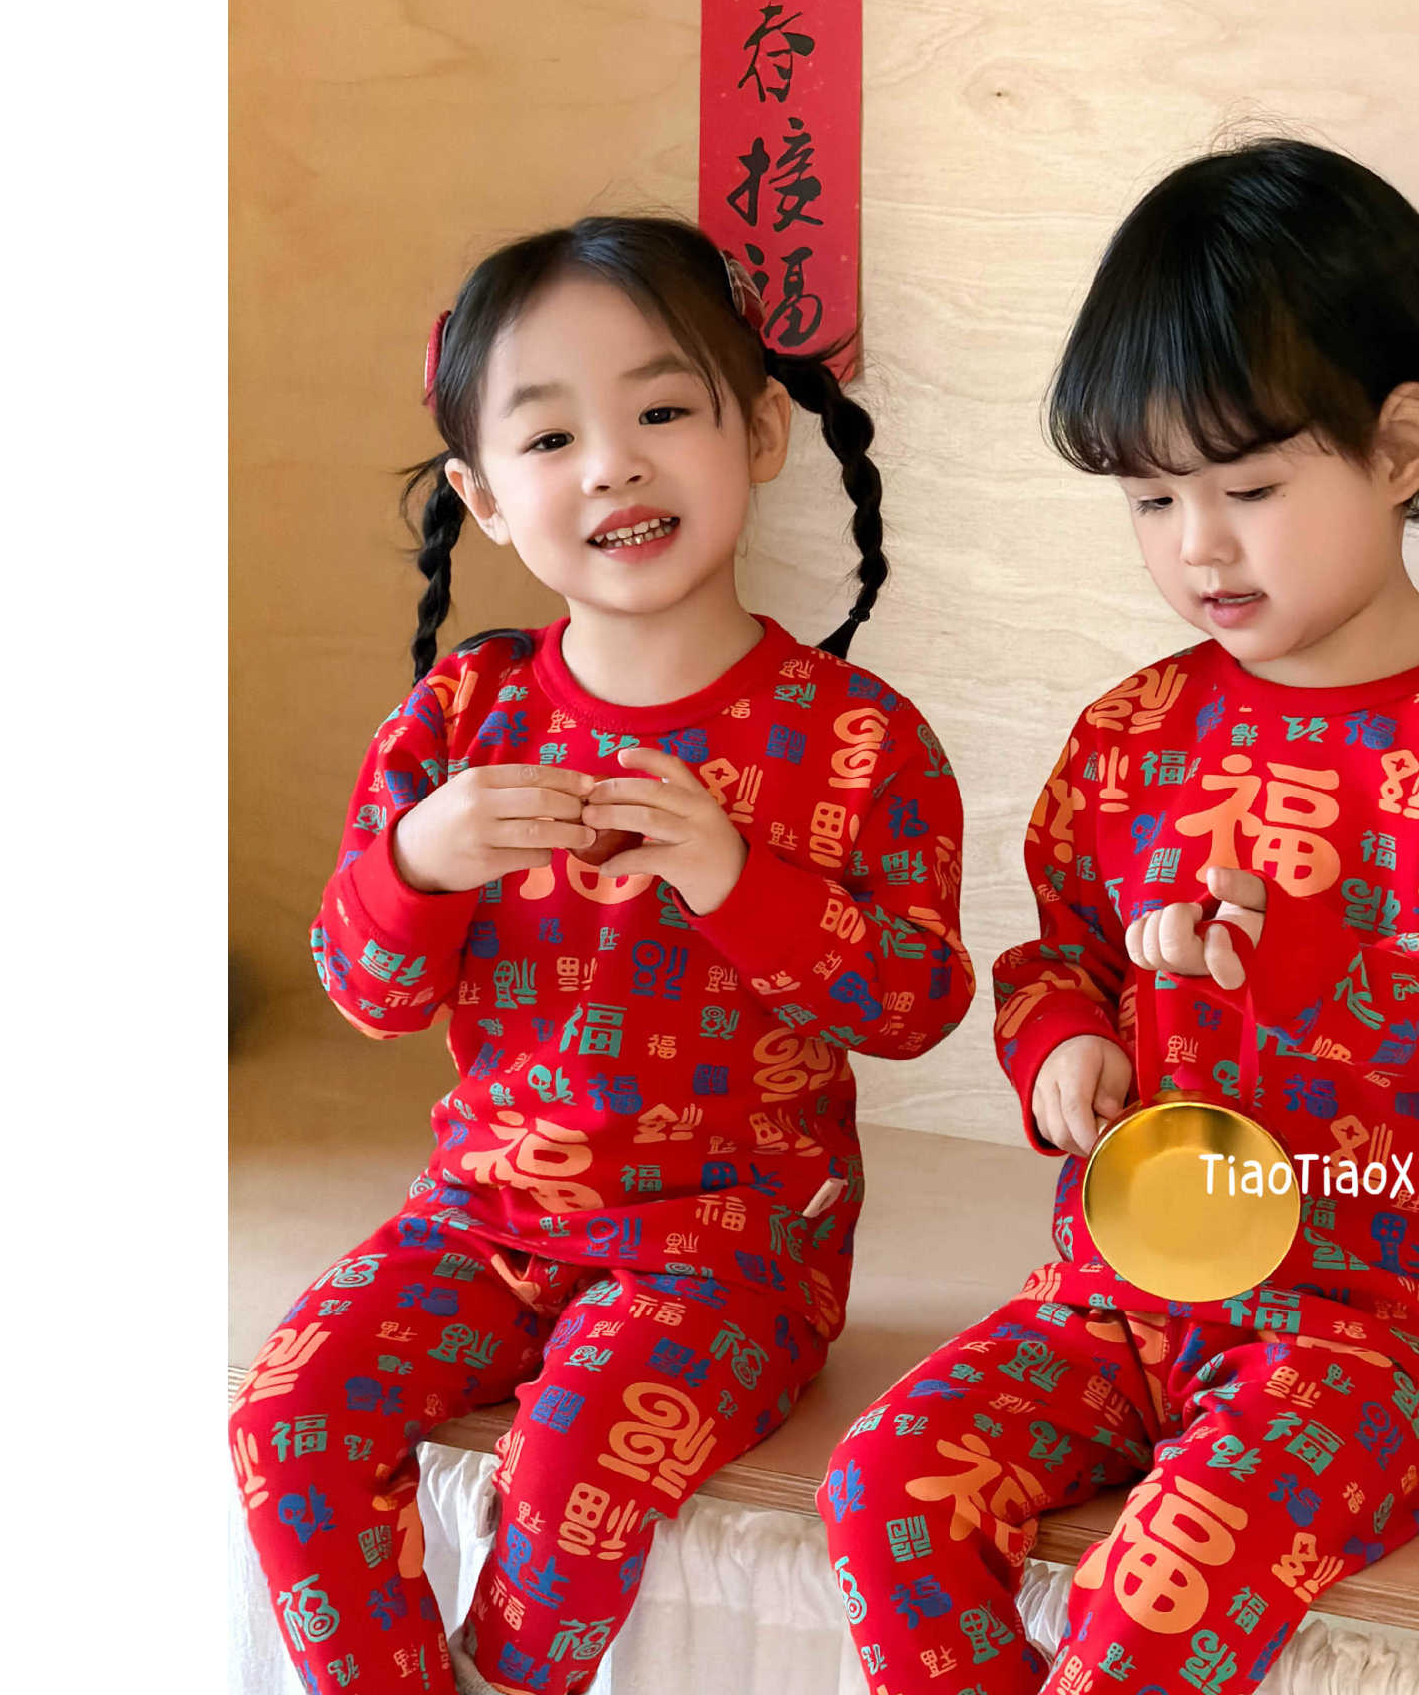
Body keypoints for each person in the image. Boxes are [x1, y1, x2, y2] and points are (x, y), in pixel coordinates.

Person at [820, 140, 1419, 1694]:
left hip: (1366, 1337)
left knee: (1153, 1589)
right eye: (1152, 497)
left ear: (1401, 446)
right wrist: (1062, 1048)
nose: (1198, 546)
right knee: (882, 1487)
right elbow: (1053, 951)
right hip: (1118, 1296)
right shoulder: (1131, 731)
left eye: (1247, 488)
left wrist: (1287, 953)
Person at [231, 215, 976, 1695]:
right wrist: (416, 861)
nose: (612, 467)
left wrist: (736, 880)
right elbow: (368, 993)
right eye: (550, 437)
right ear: (484, 498)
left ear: (761, 430)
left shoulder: (858, 737)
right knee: (284, 1417)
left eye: (661, 412)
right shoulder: (459, 720)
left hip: (734, 1252)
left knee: (568, 1454)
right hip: (479, 1218)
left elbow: (915, 1007)